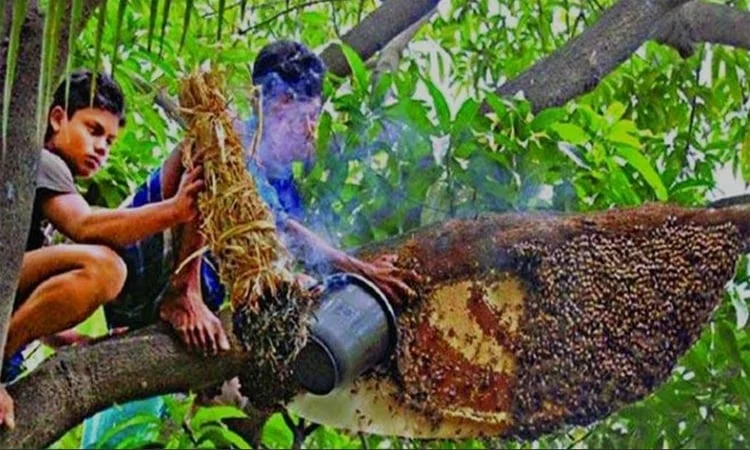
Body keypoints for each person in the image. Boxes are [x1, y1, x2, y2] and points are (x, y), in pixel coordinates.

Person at [79, 40, 418, 447]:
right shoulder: (230, 138)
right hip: (147, 277)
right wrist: (358, 267)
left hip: (196, 311)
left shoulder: (282, 181)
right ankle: (182, 294)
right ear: (281, 103)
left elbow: (284, 237)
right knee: (208, 154)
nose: (312, 130)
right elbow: (275, 222)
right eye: (309, 116)